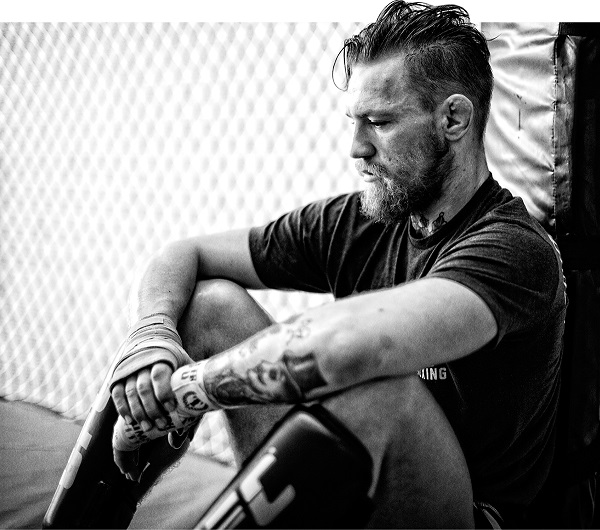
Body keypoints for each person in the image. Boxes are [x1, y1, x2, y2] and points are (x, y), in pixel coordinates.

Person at [109, 1, 566, 527]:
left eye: (379, 122)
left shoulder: (514, 249)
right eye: (354, 121)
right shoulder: (361, 220)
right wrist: (150, 335)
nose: (356, 148)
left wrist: (187, 392)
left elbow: (351, 347)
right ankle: (98, 507)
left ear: (453, 120)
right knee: (209, 307)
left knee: (377, 392)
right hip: (350, 482)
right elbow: (184, 253)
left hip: (468, 516)